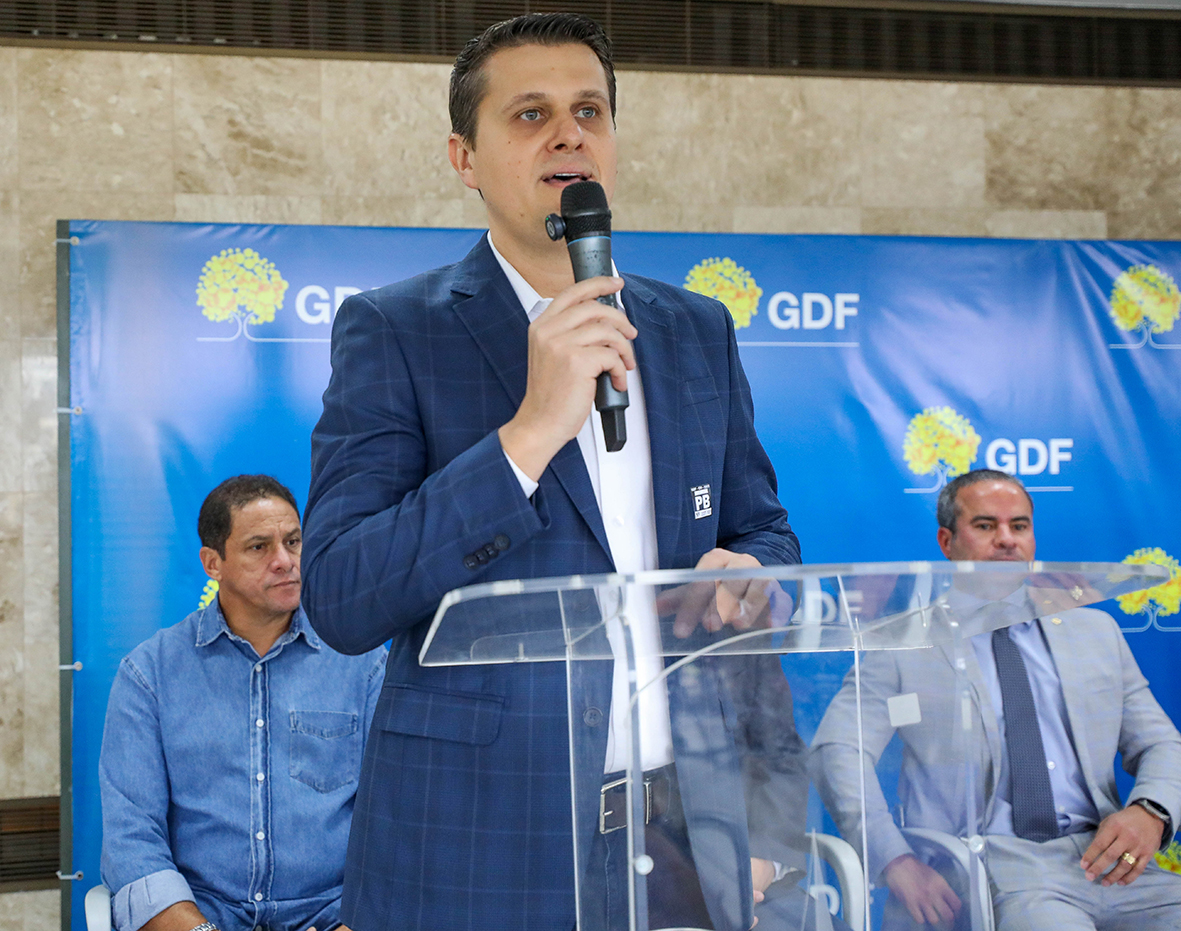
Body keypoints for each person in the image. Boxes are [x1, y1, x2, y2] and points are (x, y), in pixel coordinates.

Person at [300, 12, 814, 931]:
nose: (569, 134)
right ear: (463, 158)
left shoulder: (694, 329)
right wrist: (527, 435)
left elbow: (763, 529)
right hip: (482, 843)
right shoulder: (396, 329)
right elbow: (341, 595)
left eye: (589, 111)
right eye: (530, 114)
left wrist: (751, 569)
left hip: (684, 840)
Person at [810, 469, 1181, 931]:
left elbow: (1162, 744)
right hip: (991, 864)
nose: (1006, 539)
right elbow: (838, 749)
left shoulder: (1095, 631)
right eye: (985, 525)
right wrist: (894, 860)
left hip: (1110, 858)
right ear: (947, 542)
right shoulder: (904, 641)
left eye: (1019, 526)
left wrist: (1150, 811)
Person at [99, 475, 387, 931]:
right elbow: (132, 841)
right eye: (259, 547)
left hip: (331, 916)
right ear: (213, 563)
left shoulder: (361, 662)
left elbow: (396, 821)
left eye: (293, 542)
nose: (284, 561)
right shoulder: (149, 674)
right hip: (203, 916)